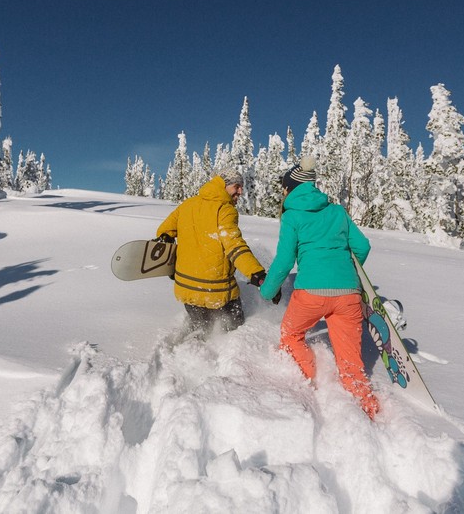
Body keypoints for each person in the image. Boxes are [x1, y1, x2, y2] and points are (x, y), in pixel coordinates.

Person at [259, 156, 380, 419]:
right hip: (348, 294)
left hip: (311, 293)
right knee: (351, 361)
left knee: (291, 335)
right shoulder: (337, 212)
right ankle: (368, 407)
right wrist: (345, 270)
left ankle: (308, 381)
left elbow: (284, 260)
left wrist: (267, 292)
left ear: (290, 189)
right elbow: (362, 246)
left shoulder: (292, 216)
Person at [156, 170, 267, 333]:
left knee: (202, 330)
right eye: (237, 186)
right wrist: (256, 273)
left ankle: (194, 347)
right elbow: (234, 246)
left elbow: (164, 231)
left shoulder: (187, 205)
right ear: (224, 185)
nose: (241, 192)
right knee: (235, 331)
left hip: (186, 287)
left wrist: (166, 241)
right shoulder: (225, 210)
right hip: (216, 291)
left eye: (242, 187)